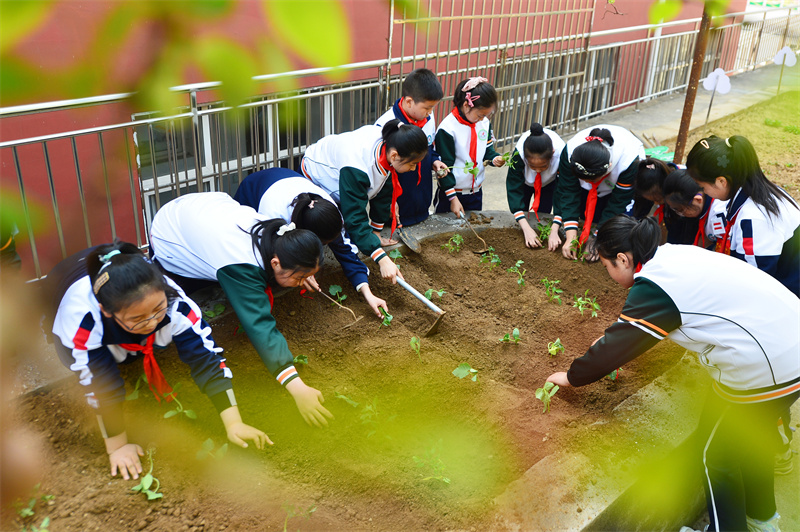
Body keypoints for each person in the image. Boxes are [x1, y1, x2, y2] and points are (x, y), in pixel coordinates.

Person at [547, 215, 799, 532]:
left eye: (607, 266)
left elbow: (614, 349)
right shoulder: (672, 255)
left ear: (623, 259)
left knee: (715, 457)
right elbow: (677, 316)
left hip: (765, 366)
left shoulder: (655, 287)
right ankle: (762, 521)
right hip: (790, 343)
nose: (608, 273)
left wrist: (571, 377)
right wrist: (620, 337)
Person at [41, 241, 270, 480]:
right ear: (106, 310)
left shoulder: (176, 305)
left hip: (119, 281)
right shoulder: (82, 322)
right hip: (61, 280)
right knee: (92, 362)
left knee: (146, 339)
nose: (151, 322)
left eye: (158, 310)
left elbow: (207, 360)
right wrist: (117, 447)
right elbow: (102, 387)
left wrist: (234, 423)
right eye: (138, 318)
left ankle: (133, 337)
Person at [149, 192, 334, 428]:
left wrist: (299, 275)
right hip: (170, 232)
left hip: (203, 210)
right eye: (301, 276)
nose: (305, 281)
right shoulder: (239, 261)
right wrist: (297, 387)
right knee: (190, 290)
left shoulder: (277, 233)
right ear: (276, 264)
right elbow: (260, 326)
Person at [233, 167, 388, 318]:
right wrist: (300, 270)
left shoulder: (327, 211)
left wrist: (368, 293)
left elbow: (346, 251)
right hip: (255, 189)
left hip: (286, 178)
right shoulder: (274, 216)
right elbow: (271, 252)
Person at [301, 119, 428, 284]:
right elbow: (355, 217)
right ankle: (307, 265)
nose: (414, 169)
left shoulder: (388, 145)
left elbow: (382, 189)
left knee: (351, 231)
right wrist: (381, 257)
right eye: (412, 164)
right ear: (395, 155)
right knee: (332, 229)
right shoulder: (358, 167)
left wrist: (375, 234)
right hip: (317, 174)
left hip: (342, 175)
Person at [686, 135, 800, 297]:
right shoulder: (762, 191)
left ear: (721, 181)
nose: (703, 193)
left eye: (702, 187)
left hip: (789, 297)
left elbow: (754, 282)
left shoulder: (753, 218)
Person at [549, 125, 644, 261]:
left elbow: (618, 203)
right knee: (581, 214)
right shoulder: (570, 152)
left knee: (610, 223)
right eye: (583, 180)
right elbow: (568, 191)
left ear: (608, 167)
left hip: (614, 190)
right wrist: (571, 236)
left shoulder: (629, 161)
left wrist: (597, 240)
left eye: (591, 180)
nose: (587, 183)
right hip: (588, 191)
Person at [374, 68, 449, 226]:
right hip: (397, 210)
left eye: (432, 108)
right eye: (427, 108)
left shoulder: (427, 118)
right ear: (409, 101)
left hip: (422, 205)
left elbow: (428, 147)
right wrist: (387, 202)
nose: (430, 113)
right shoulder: (384, 126)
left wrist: (434, 160)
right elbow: (380, 172)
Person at [434, 76, 505, 215]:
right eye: (480, 115)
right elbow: (444, 169)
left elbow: (487, 150)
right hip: (451, 194)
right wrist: (452, 198)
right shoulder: (448, 129)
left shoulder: (483, 122)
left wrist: (495, 159)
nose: (483, 119)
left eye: (487, 115)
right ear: (466, 105)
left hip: (476, 192)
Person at [505, 122, 565, 248]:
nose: (538, 171)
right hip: (525, 183)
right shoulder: (519, 155)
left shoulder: (561, 155)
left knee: (545, 211)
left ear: (552, 153)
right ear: (525, 158)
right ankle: (526, 230)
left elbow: (562, 192)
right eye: (532, 166)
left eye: (543, 166)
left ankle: (542, 232)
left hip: (549, 183)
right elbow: (514, 187)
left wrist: (554, 230)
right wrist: (526, 229)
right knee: (523, 208)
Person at [662, 169, 727, 250]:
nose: (680, 214)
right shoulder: (706, 205)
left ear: (698, 200)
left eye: (681, 210)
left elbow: (724, 246)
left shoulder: (718, 215)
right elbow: (710, 237)